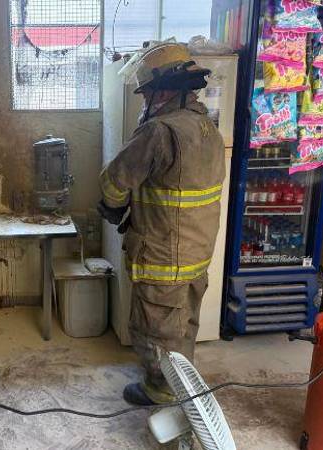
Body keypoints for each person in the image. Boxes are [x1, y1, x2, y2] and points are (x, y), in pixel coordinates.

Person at [98, 43, 225, 406]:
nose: (145, 101)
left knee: (155, 328)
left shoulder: (159, 131)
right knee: (184, 323)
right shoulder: (206, 128)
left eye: (148, 94)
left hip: (162, 253)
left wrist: (112, 206)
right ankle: (182, 382)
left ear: (164, 91)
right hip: (196, 253)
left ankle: (161, 392)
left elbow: (115, 181)